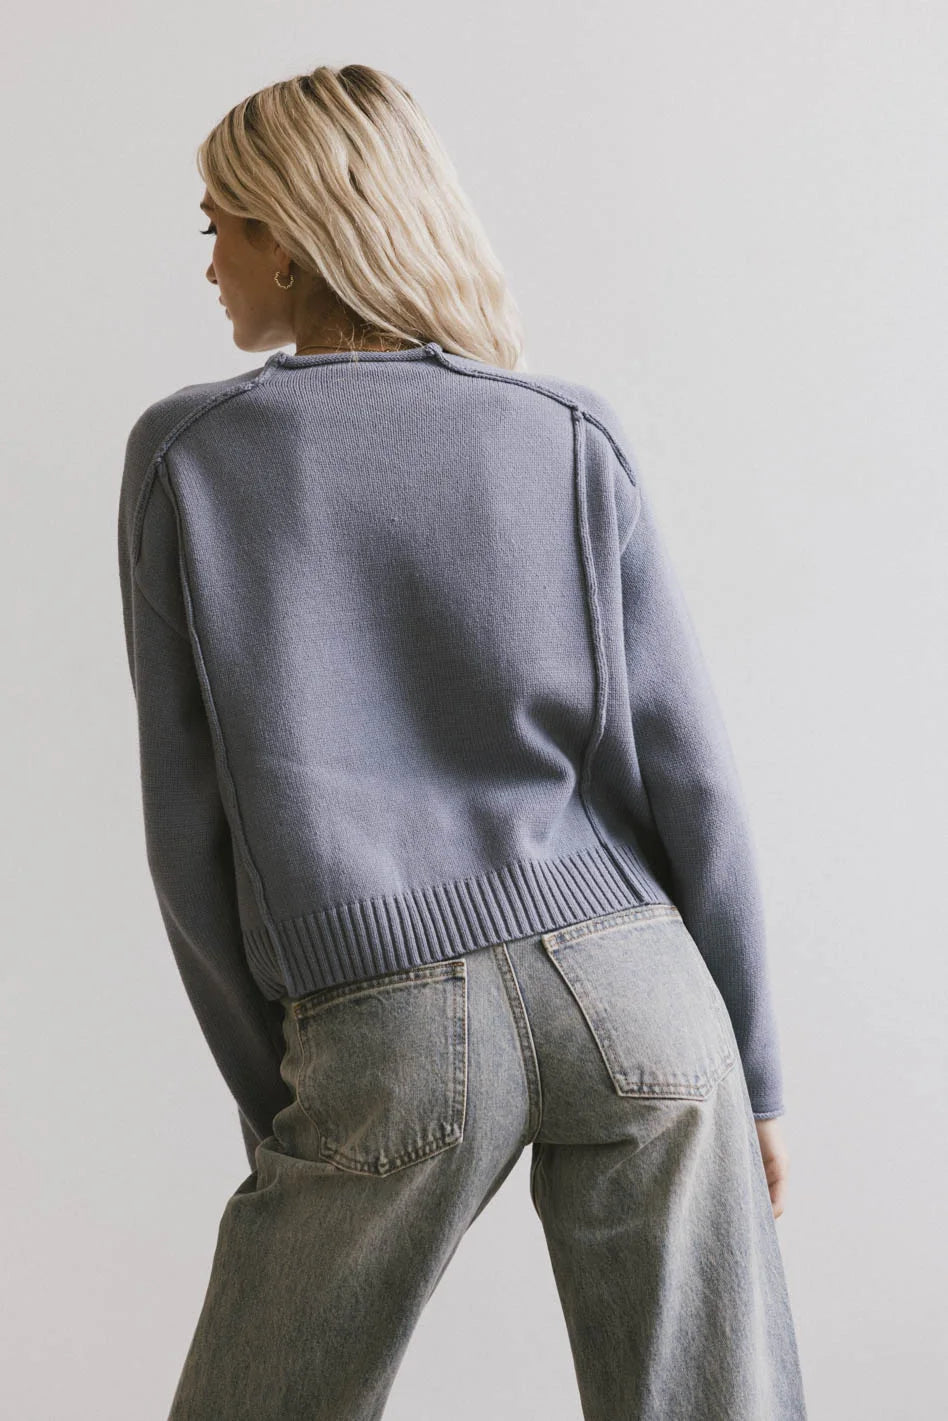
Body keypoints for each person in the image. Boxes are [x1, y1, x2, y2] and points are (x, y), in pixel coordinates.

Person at [117, 61, 808, 1421]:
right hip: (640, 982)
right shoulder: (565, 430)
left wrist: (280, 1099)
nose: (208, 263)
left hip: (382, 1006)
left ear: (288, 234)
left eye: (220, 226)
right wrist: (757, 1071)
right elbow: (689, 777)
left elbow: (189, 825)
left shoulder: (190, 455)